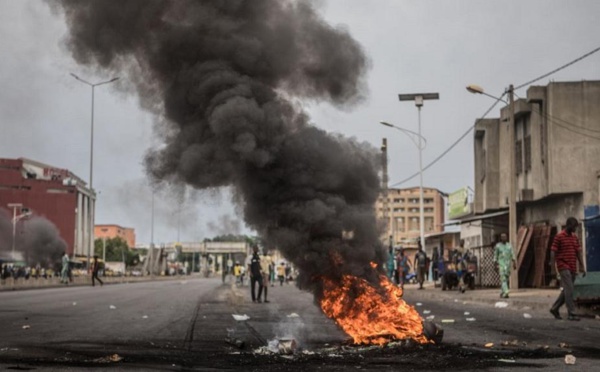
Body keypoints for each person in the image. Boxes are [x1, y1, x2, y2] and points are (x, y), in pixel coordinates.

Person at [549, 217, 587, 321]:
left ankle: (555, 308)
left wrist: (582, 266)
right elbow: (553, 252)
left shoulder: (574, 237)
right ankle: (572, 313)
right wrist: (553, 268)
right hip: (563, 265)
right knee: (569, 288)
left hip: (572, 267)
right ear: (568, 225)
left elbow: (578, 252)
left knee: (567, 290)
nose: (575, 229)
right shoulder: (559, 236)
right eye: (574, 227)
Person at [493, 233, 516, 299]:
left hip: (508, 265)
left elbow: (512, 254)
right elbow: (495, 256)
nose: (504, 238)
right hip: (501, 265)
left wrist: (514, 262)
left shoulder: (509, 246)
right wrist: (495, 265)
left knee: (506, 279)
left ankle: (502, 292)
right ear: (500, 238)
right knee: (503, 279)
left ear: (507, 237)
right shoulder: (498, 246)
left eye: (505, 237)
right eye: (502, 237)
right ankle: (506, 292)